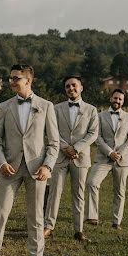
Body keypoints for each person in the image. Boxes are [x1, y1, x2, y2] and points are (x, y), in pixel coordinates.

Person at [0, 63, 59, 256]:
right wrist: (1, 162)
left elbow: (54, 143)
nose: (12, 82)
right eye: (11, 78)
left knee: (36, 217)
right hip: (10, 169)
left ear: (28, 80)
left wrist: (47, 165)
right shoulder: (4, 107)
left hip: (37, 169)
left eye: (16, 78)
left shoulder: (46, 106)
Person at [44, 76, 99, 241]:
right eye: (67, 86)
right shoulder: (56, 108)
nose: (71, 88)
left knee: (79, 193)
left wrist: (76, 148)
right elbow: (51, 131)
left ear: (81, 87)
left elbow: (93, 133)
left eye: (74, 85)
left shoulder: (91, 110)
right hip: (60, 156)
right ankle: (48, 226)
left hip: (80, 158)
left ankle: (78, 230)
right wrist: (65, 147)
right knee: (54, 191)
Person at [86, 89, 128, 230]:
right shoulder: (100, 116)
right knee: (92, 182)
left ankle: (116, 222)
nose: (117, 101)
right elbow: (97, 136)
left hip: (122, 159)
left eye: (120, 99)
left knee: (119, 191)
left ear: (123, 101)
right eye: (115, 98)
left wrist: (119, 153)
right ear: (110, 99)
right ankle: (92, 216)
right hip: (103, 157)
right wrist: (109, 152)